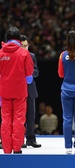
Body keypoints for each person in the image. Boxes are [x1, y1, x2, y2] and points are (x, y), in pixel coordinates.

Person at [0, 26, 34, 154]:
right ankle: (17, 148)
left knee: (6, 120)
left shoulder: (1, 53)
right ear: (19, 39)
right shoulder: (24, 53)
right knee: (19, 120)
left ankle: (7, 149)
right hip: (20, 92)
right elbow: (29, 75)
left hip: (4, 92)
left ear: (7, 39)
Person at [20, 35, 41, 148]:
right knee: (20, 116)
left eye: (26, 45)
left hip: (30, 90)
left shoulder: (32, 56)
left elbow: (37, 72)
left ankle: (31, 139)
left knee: (31, 116)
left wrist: (30, 72)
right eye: (22, 46)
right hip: (19, 90)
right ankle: (20, 140)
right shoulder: (16, 57)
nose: (24, 48)